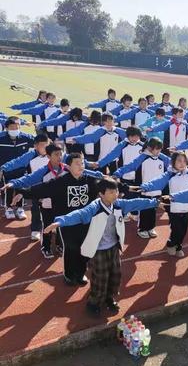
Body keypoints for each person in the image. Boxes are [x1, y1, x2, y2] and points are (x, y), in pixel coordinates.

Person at [44, 178, 160, 316]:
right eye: (111, 192)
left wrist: (154, 202)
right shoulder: (94, 208)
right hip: (98, 250)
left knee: (115, 274)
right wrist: (60, 222)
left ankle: (109, 298)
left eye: (116, 191)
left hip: (114, 247)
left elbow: (135, 203)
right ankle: (94, 302)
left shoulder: (118, 205)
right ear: (101, 194)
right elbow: (80, 214)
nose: (115, 194)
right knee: (100, 277)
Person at [11, 152, 103, 285]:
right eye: (77, 163)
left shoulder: (90, 180)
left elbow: (107, 187)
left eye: (82, 163)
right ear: (68, 166)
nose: (81, 165)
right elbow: (42, 188)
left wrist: (122, 187)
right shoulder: (61, 182)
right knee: (71, 248)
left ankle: (80, 273)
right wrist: (22, 193)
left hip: (85, 221)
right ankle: (69, 275)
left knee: (85, 248)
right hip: (67, 222)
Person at [139, 151, 188, 257]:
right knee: (176, 229)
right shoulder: (168, 175)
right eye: (179, 161)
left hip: (186, 208)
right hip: (173, 208)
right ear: (173, 162)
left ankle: (178, 245)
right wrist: (145, 187)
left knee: (183, 230)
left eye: (184, 161)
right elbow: (156, 182)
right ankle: (171, 244)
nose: (182, 163)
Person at [112, 138, 170, 238]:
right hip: (144, 189)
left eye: (160, 149)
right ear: (149, 148)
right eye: (157, 149)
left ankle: (151, 228)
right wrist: (117, 173)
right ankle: (142, 228)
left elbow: (173, 162)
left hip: (156, 190)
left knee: (153, 209)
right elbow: (129, 166)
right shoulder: (142, 158)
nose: (159, 152)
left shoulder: (161, 158)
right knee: (144, 209)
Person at [1, 134, 50, 238]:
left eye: (47, 145)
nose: (45, 148)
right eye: (42, 145)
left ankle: (53, 229)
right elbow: (17, 162)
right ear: (36, 146)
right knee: (36, 208)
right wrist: (3, 168)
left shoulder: (53, 152)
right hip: (37, 186)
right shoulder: (30, 155)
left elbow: (67, 160)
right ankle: (35, 229)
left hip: (53, 185)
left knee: (53, 208)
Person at [0, 117, 35, 220]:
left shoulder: (26, 137)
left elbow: (38, 142)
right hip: (6, 169)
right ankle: (9, 208)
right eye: (12, 127)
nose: (15, 129)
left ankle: (20, 208)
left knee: (21, 188)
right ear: (6, 128)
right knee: (8, 189)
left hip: (21, 169)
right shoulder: (1, 139)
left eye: (17, 127)